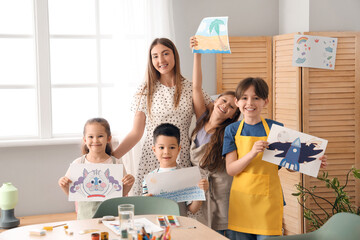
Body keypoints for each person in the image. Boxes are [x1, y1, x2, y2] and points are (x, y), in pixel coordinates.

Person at [222, 78, 327, 240]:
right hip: (241, 201)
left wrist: (312, 161)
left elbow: (290, 165)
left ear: (266, 101)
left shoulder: (275, 129)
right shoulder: (232, 130)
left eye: (256, 98)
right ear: (236, 102)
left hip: (268, 201)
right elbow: (231, 169)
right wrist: (252, 153)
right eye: (244, 97)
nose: (250, 102)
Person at [112, 38, 212, 195]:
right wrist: (111, 157)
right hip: (153, 157)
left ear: (174, 55)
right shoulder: (146, 90)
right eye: (155, 56)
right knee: (151, 208)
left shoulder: (190, 88)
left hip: (181, 153)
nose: (161, 60)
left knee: (181, 209)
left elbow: (209, 119)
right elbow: (136, 133)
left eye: (165, 54)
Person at [189, 36, 241, 236]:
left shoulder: (229, 132)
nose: (225, 106)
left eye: (231, 107)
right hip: (201, 189)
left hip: (222, 190)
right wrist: (197, 55)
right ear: (216, 99)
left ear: (233, 116)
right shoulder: (201, 120)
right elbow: (196, 87)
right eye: (224, 100)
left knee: (224, 230)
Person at [58, 118, 135, 220]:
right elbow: (72, 193)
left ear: (108, 139)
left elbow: (122, 192)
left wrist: (129, 182)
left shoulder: (116, 162)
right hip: (86, 218)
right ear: (85, 140)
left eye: (100, 136)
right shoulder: (78, 163)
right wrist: (63, 184)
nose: (95, 140)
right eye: (90, 137)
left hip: (111, 217)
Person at [142, 123, 209, 216]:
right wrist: (146, 201)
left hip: (180, 225)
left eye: (172, 147)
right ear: (154, 150)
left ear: (178, 149)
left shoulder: (186, 176)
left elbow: (193, 209)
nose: (166, 152)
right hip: (158, 226)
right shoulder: (149, 179)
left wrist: (201, 191)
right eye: (161, 147)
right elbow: (146, 210)